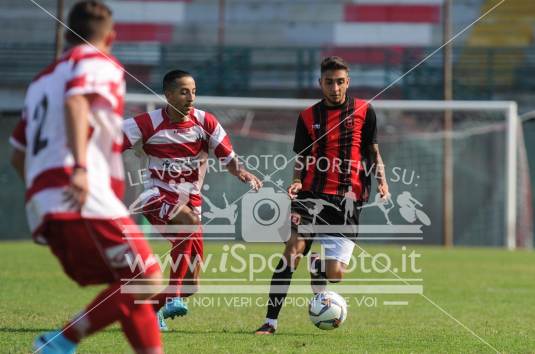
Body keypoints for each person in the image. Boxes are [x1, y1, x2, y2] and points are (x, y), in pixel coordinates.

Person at [9, 2, 163, 353]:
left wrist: (41, 197)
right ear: (111, 36)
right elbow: (77, 103)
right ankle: (59, 341)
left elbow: (17, 153)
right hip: (83, 190)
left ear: (65, 36)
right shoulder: (98, 61)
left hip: (48, 197)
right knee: (148, 277)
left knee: (130, 285)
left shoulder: (40, 82)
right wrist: (79, 169)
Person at [255, 56, 389, 334]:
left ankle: (318, 265)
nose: (335, 87)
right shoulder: (307, 117)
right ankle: (270, 322)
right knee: (291, 253)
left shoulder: (365, 110)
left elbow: (373, 152)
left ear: (348, 82)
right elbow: (302, 158)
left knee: (336, 274)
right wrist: (295, 181)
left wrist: (382, 182)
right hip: (310, 196)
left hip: (348, 201)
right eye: (329, 82)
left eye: (340, 82)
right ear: (320, 83)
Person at [122, 69, 262, 330]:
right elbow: (108, 143)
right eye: (184, 91)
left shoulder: (206, 122)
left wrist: (241, 172)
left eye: (194, 91)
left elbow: (229, 159)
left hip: (190, 202)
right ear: (168, 94)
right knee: (186, 222)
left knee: (192, 284)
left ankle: (147, 311)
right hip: (155, 195)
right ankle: (172, 296)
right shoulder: (147, 123)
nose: (191, 97)